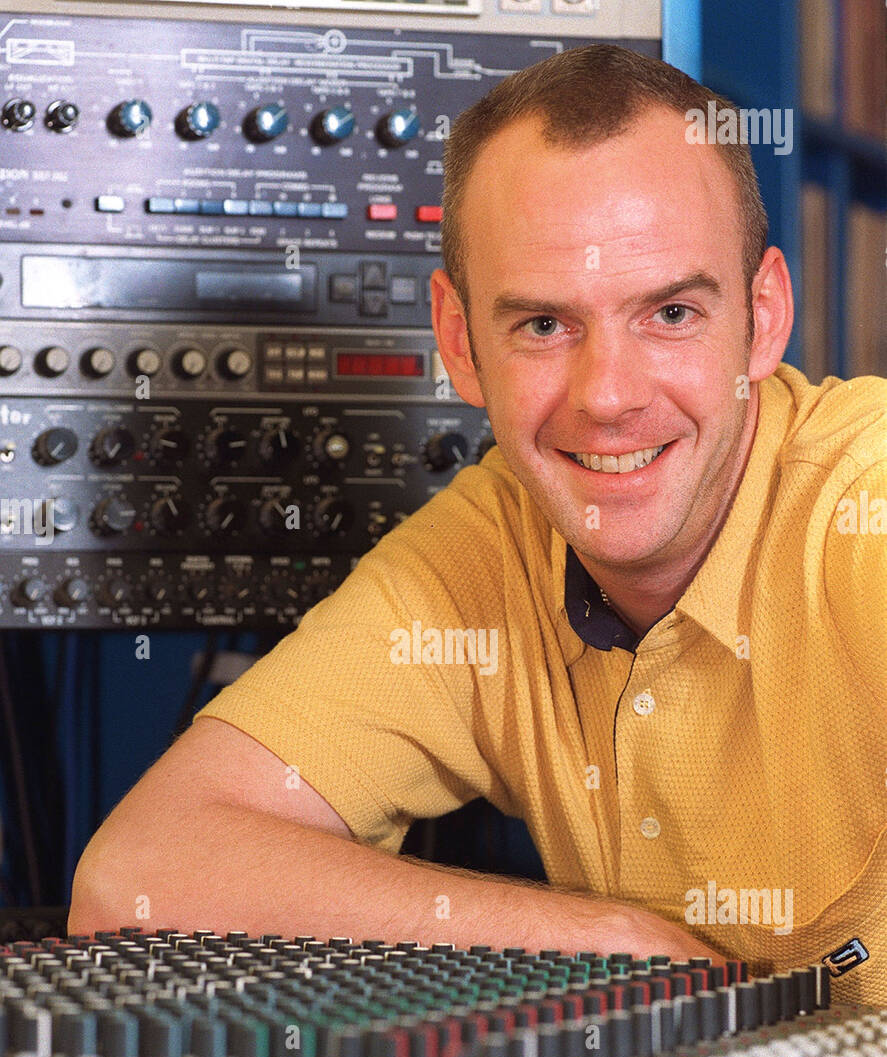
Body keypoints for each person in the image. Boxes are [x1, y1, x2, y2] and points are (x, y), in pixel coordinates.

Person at [70, 45, 886, 1005]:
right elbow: (136, 878)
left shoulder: (859, 508)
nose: (609, 398)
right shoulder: (487, 547)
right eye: (543, 325)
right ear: (459, 342)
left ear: (763, 314)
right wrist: (617, 940)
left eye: (669, 311)